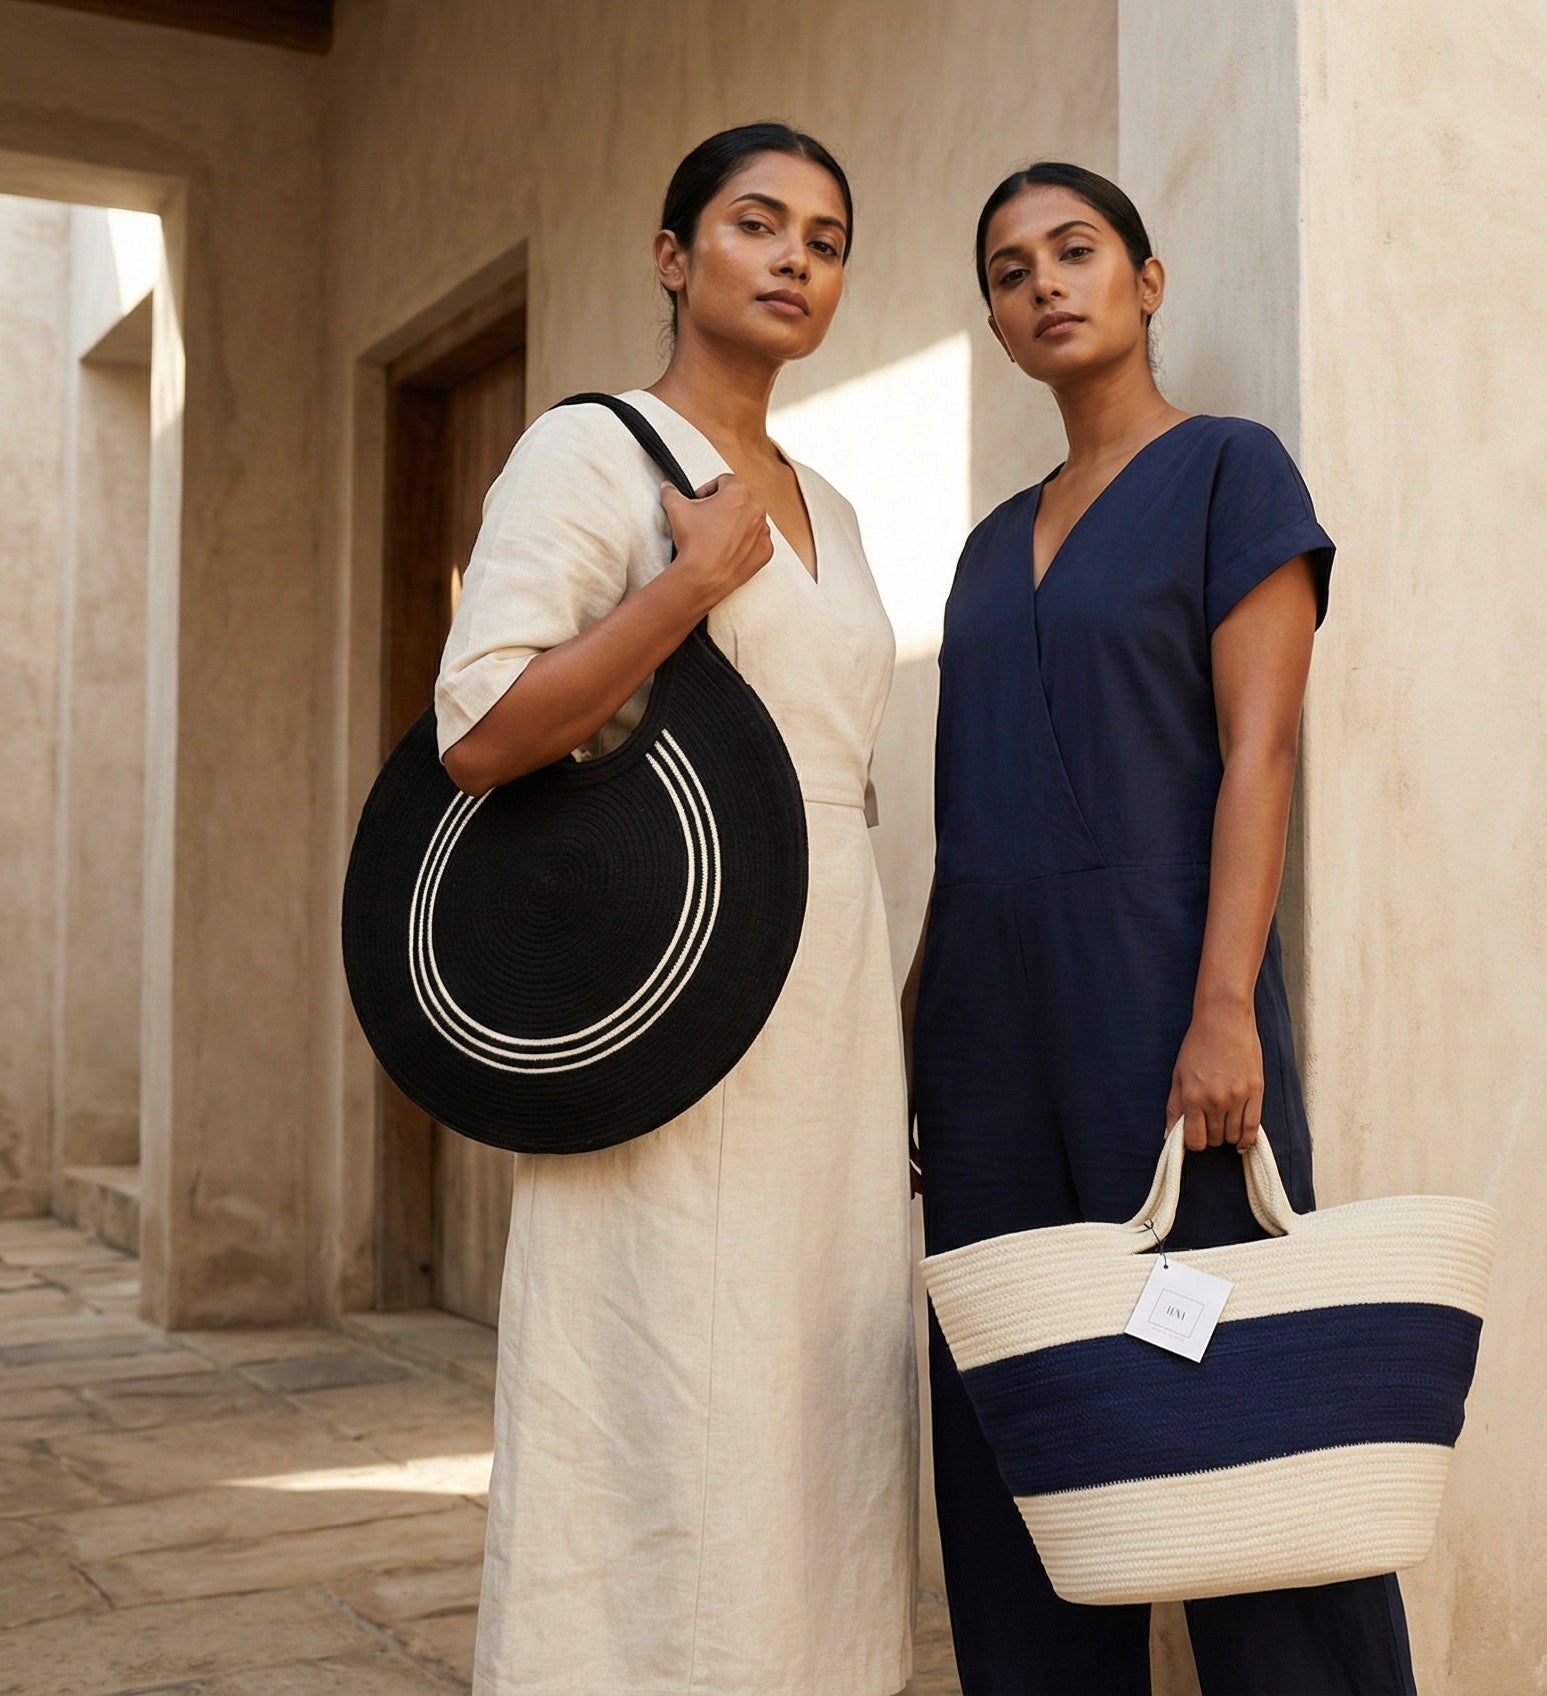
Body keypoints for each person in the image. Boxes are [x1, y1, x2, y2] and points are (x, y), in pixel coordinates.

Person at [907, 161, 1418, 1695]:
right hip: (984, 1031)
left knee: (1231, 1398)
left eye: (1075, 251)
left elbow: (1258, 754)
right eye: (1009, 269)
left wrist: (1223, 1009)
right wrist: (919, 1043)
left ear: (1146, 278)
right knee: (1025, 1426)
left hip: (1157, 997)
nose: (1044, 284)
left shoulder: (1228, 473)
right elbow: (959, 812)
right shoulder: (989, 545)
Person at [436, 123, 916, 1696]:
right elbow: (483, 727)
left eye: (825, 239)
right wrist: (681, 586)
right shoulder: (593, 453)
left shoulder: (830, 509)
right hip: (673, 978)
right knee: (659, 1388)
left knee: (815, 1396)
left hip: (829, 1003)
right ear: (671, 256)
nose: (793, 258)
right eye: (755, 223)